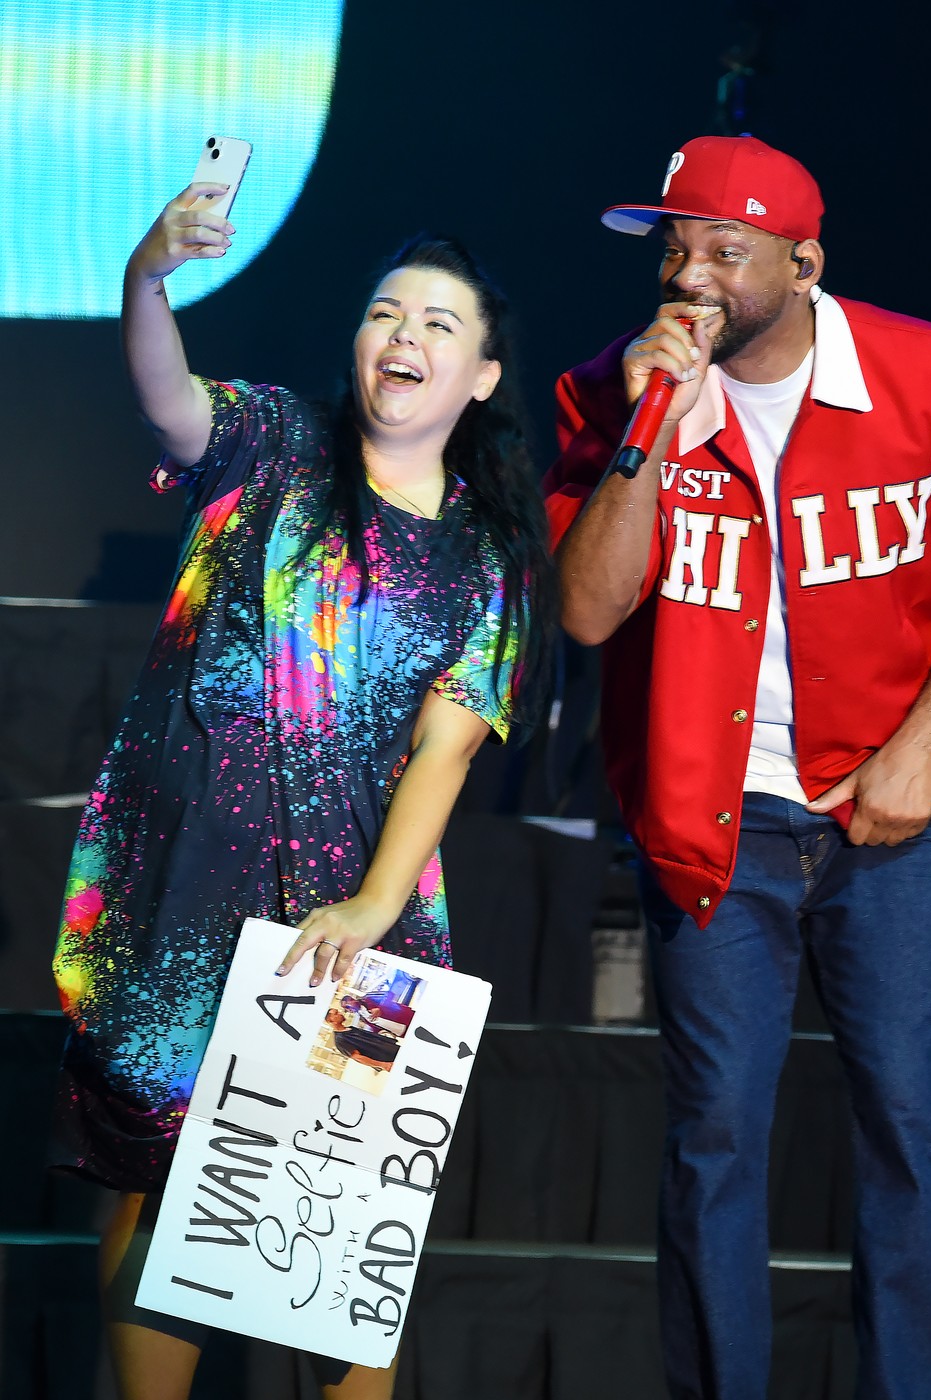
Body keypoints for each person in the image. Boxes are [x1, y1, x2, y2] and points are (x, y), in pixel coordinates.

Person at [543, 134, 931, 1400]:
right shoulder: (609, 393)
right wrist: (646, 434)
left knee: (905, 1120)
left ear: (803, 262)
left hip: (892, 817)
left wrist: (916, 747)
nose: (690, 276)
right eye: (674, 250)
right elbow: (588, 611)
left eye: (724, 250)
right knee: (713, 1133)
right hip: (712, 821)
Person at [51, 178, 554, 1400]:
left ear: (482, 376)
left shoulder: (485, 555)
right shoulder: (274, 444)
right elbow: (168, 400)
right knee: (157, 1183)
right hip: (186, 885)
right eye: (386, 312)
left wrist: (374, 905)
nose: (404, 336)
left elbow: (445, 751)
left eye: (438, 323)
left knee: (339, 1220)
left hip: (354, 912)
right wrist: (146, 275)